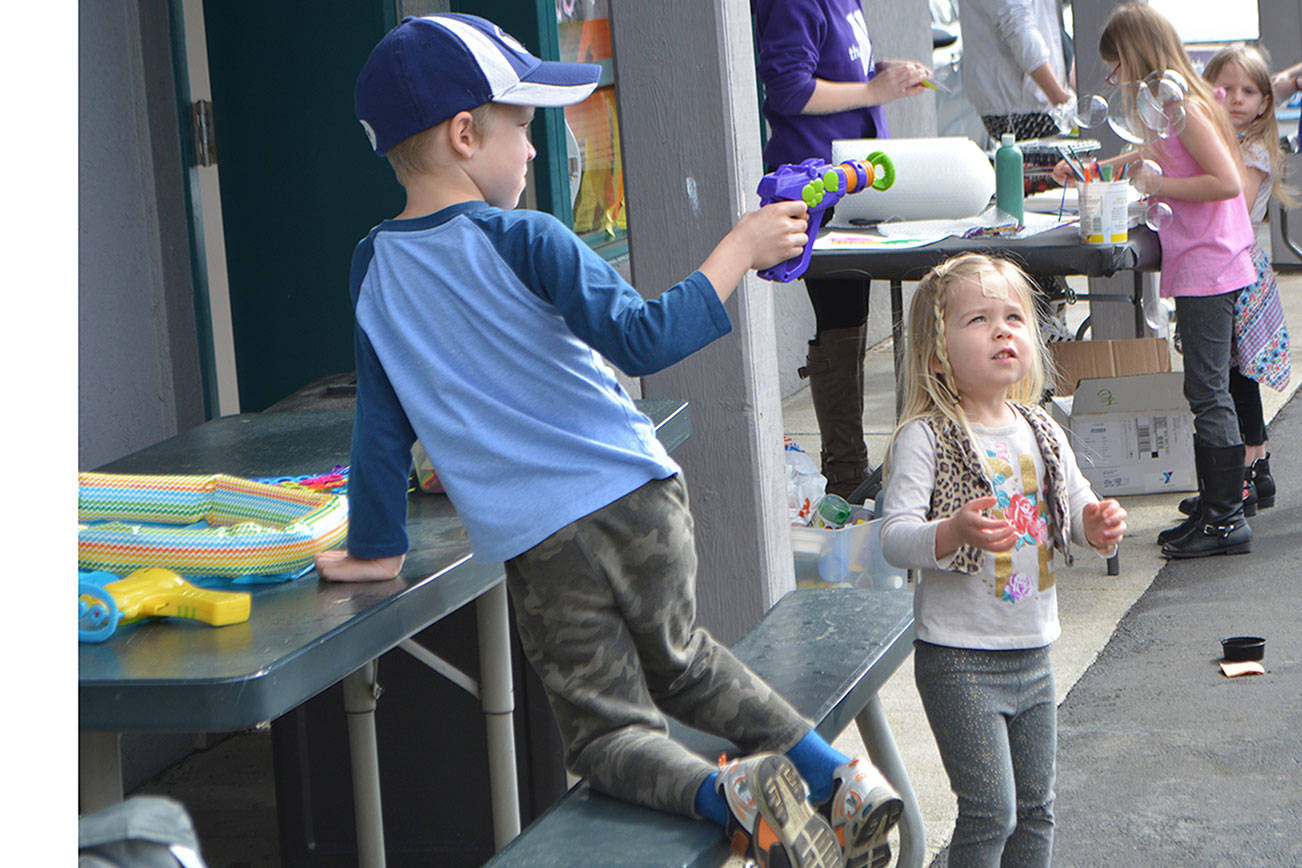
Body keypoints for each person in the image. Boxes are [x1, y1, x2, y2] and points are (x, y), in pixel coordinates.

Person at [320, 14, 903, 868]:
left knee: (605, 735)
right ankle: (836, 779)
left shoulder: (374, 268)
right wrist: (738, 247)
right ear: (464, 134)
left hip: (541, 538)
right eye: (523, 128)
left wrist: (376, 550)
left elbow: (381, 424)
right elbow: (644, 341)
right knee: (688, 662)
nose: (531, 149)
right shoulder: (529, 237)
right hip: (639, 493)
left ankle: (731, 793)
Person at [879, 253, 1127, 867]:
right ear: (938, 352)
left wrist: (1098, 523)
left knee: (1037, 811)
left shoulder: (1040, 427)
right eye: (978, 320)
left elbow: (1076, 501)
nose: (1002, 330)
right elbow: (892, 537)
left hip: (1033, 649)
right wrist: (950, 531)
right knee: (992, 812)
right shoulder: (927, 437)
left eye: (1014, 317)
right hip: (959, 659)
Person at [1053, 3, 1256, 559]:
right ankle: (1215, 504)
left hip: (1209, 264)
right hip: (1204, 262)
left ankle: (1225, 517)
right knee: (1205, 387)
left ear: (1136, 54)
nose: (1113, 79)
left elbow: (1225, 182)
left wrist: (1159, 185)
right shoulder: (1176, 106)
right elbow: (1154, 155)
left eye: (1115, 65)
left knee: (1207, 390)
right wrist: (1099, 169)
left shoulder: (1185, 106)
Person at [752, 0, 931, 502]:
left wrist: (883, 75)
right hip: (817, 183)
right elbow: (789, 89)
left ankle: (851, 471)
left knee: (849, 318)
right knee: (839, 321)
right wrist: (874, 90)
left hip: (854, 178)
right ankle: (847, 473)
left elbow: (830, 66)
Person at [1173, 44, 1296, 522]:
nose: (1239, 100)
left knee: (1235, 374)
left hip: (1237, 267)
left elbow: (1234, 207)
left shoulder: (1253, 150)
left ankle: (1248, 467)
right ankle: (1250, 470)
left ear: (1265, 103)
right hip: (1231, 265)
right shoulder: (1228, 142)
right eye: (1228, 89)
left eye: (1251, 91)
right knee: (1228, 372)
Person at [959, 0, 1075, 142]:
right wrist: (1060, 98)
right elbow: (1018, 29)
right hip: (1019, 105)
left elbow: (1052, 32)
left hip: (1034, 104)